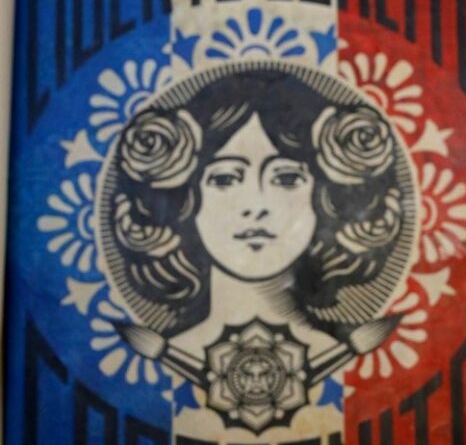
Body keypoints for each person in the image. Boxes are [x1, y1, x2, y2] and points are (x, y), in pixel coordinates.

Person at [100, 63, 414, 350]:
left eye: (288, 178)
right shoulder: (170, 352)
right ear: (186, 200)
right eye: (224, 180)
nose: (256, 206)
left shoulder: (338, 351)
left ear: (325, 199)